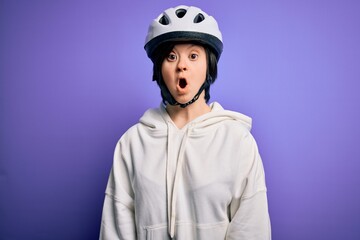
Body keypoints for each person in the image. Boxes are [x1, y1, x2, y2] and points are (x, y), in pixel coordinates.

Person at [99, 5, 271, 240]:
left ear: (208, 66)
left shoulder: (237, 142)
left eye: (193, 55)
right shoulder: (131, 144)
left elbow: (252, 230)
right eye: (171, 56)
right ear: (159, 69)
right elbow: (115, 231)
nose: (182, 65)